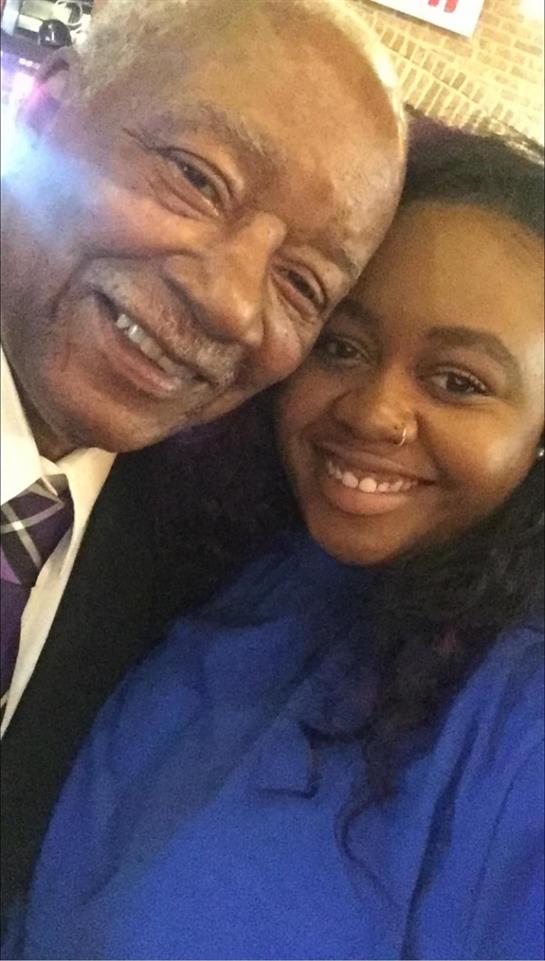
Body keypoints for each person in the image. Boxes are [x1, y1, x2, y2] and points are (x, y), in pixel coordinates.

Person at [11, 125, 543, 961]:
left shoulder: (515, 726)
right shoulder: (237, 564)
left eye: (457, 381)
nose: (372, 411)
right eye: (342, 346)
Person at [0, 0, 406, 915]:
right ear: (45, 109)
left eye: (302, 283)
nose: (232, 304)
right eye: (196, 177)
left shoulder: (192, 587)